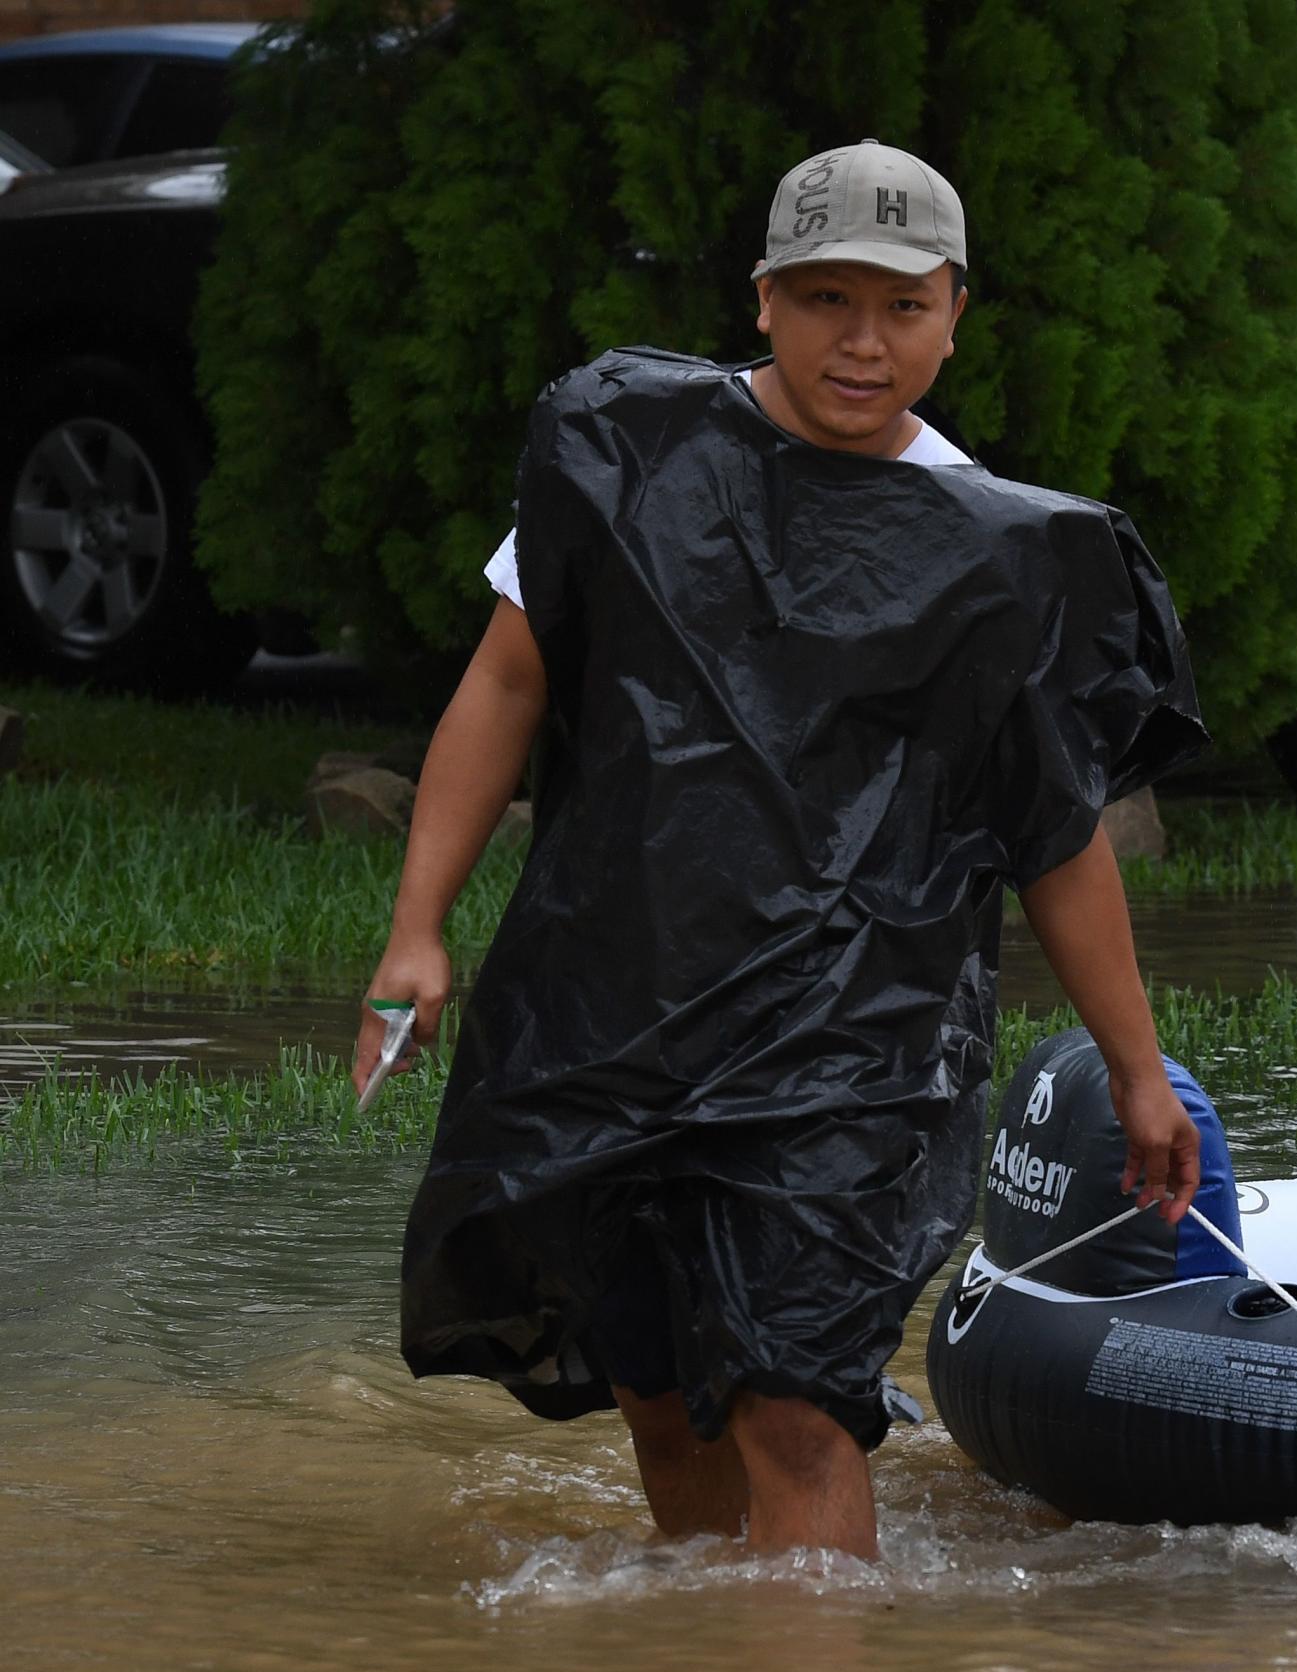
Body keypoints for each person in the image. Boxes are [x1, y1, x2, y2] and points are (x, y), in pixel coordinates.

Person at [355, 139, 1206, 1562]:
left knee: (793, 1408)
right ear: (762, 299)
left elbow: (1054, 837)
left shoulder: (999, 557)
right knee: (656, 1390)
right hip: (618, 1007)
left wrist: (1134, 1067)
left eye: (901, 307)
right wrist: (416, 927)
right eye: (823, 300)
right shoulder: (628, 456)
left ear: (955, 312)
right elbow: (508, 684)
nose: (861, 344)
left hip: (855, 1040)